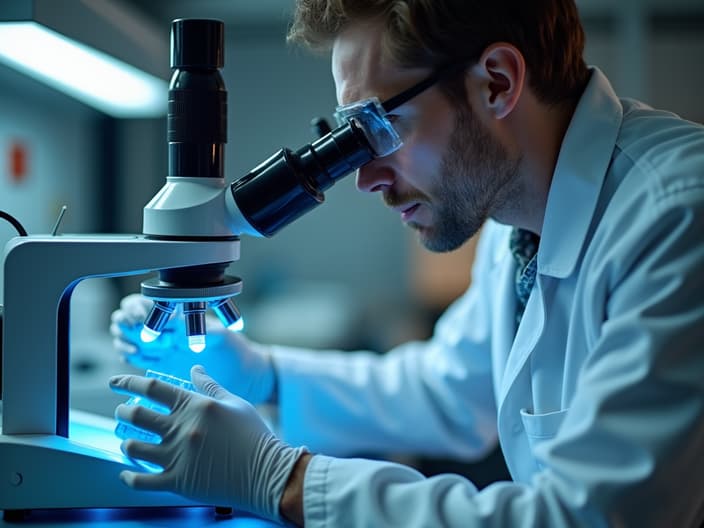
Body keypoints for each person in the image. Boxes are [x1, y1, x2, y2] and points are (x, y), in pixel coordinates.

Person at [108, 0, 704, 526]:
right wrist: (262, 373)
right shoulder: (516, 221)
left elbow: (591, 517)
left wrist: (284, 481)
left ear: (497, 82)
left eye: (378, 127)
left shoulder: (676, 217)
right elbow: (450, 389)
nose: (365, 178)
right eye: (348, 139)